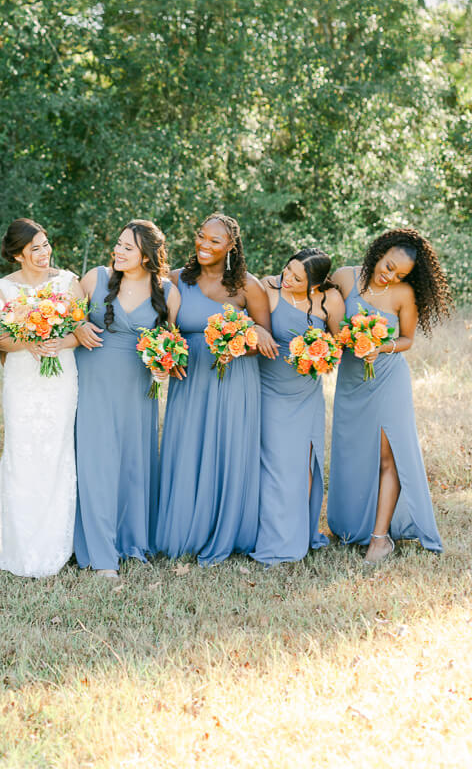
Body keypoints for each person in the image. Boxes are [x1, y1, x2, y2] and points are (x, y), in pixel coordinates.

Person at [155, 213, 277, 564]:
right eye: (201, 236)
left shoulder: (247, 287)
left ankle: (226, 530)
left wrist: (245, 336)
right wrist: (164, 351)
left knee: (227, 449)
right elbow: (161, 327)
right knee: (186, 448)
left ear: (231, 246)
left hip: (233, 380)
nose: (204, 245)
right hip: (190, 378)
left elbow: (263, 342)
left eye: (215, 241)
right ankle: (182, 531)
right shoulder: (176, 279)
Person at [328, 228, 451, 565]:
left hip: (387, 379)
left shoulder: (403, 294)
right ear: (378, 252)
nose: (389, 276)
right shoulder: (344, 277)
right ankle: (353, 525)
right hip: (352, 380)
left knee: (387, 456)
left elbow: (407, 339)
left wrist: (380, 345)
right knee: (351, 453)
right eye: (387, 266)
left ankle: (380, 539)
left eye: (399, 274)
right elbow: (320, 306)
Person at [74, 220, 180, 580]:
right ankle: (102, 555)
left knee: (132, 465)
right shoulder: (95, 277)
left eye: (128, 247)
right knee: (97, 465)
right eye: (118, 244)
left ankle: (130, 540)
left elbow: (170, 344)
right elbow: (65, 318)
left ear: (147, 256)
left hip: (136, 390)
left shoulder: (167, 291)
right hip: (93, 383)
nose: (118, 251)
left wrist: (165, 365)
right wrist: (77, 327)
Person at [0, 219, 82, 577]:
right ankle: (20, 542)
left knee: (56, 451)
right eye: (35, 247)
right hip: (22, 379)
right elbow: (2, 340)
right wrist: (31, 343)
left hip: (60, 378)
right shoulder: (4, 289)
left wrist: (58, 341)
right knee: (22, 452)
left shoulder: (68, 282)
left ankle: (56, 542)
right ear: (17, 253)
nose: (44, 252)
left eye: (46, 244)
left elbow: (81, 332)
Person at [250, 248, 344, 566]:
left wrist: (322, 355)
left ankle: (295, 534)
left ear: (314, 284)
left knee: (301, 463)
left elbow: (338, 343)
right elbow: (251, 326)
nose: (287, 279)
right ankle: (267, 534)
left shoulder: (329, 300)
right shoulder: (267, 288)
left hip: (304, 393)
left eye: (297, 278)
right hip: (267, 388)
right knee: (272, 464)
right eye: (288, 270)